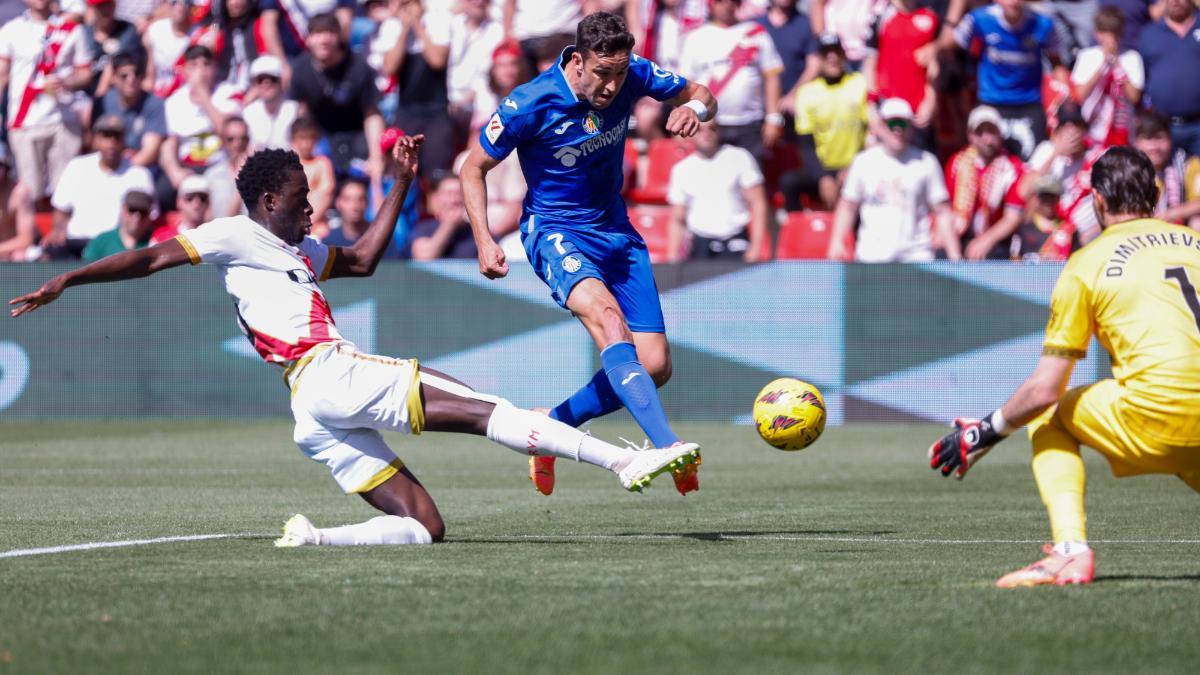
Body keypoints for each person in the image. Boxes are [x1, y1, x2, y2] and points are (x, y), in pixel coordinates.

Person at [9, 139, 701, 548]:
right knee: (489, 409)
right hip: (327, 372)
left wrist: (399, 184)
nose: (310, 204)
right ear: (267, 201)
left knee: (425, 526)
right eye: (298, 195)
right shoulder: (233, 235)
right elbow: (149, 259)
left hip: (312, 413)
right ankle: (621, 463)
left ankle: (313, 537)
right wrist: (67, 278)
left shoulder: (300, 247)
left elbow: (366, 258)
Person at [460, 11, 717, 496]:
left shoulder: (633, 72)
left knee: (655, 365)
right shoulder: (527, 103)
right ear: (577, 60)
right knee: (608, 320)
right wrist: (483, 238)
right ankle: (666, 445)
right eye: (603, 74)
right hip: (556, 232)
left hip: (615, 232)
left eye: (620, 74)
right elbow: (472, 168)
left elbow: (703, 94)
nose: (613, 86)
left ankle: (549, 428)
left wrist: (694, 112)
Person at [927, 146, 1200, 587]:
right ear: (1154, 193)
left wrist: (984, 432)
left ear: (1097, 202)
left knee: (1047, 417)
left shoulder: (1087, 262)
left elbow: (1044, 391)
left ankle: (1070, 552)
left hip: (1156, 416)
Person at [829, 98, 961, 263]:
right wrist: (836, 241)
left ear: (911, 128)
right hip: (871, 259)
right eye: (892, 123)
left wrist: (955, 256)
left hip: (917, 259)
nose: (897, 129)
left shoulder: (927, 163)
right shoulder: (863, 162)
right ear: (881, 126)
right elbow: (848, 207)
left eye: (903, 123)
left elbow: (942, 212)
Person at [941, 0, 1070, 160]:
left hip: (1028, 106)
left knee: (1033, 163)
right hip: (991, 103)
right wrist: (933, 50)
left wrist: (1067, 97)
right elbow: (950, 44)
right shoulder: (979, 19)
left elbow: (1056, 63)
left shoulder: (1043, 24)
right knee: (985, 162)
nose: (1013, 2)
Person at [0, 0, 92, 202]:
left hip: (62, 121)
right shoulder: (11, 30)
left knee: (65, 193)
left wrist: (68, 82)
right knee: (29, 193)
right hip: (24, 121)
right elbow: (2, 75)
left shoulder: (72, 30)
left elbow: (85, 73)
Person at [678, 0, 785, 164]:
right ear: (711, 4)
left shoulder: (756, 32)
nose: (727, 4)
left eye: (733, 0)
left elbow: (772, 76)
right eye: (721, 1)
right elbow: (685, 84)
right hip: (710, 127)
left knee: (751, 179)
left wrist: (773, 118)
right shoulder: (696, 37)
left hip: (750, 124)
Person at [287, 12, 384, 180]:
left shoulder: (359, 67)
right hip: (322, 138)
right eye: (317, 33)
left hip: (357, 135)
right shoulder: (300, 70)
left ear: (339, 37)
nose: (324, 40)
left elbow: (372, 115)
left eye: (330, 33)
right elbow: (302, 116)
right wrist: (300, 155)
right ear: (308, 39)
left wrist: (377, 158)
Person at [46, 113, 154, 258]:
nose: (111, 142)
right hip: (77, 242)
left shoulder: (139, 174)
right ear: (96, 139)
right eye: (106, 135)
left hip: (116, 246)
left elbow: (147, 218)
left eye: (116, 136)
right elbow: (61, 210)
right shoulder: (77, 167)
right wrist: (58, 231)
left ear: (124, 140)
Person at [780, 33, 867, 211]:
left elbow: (870, 134)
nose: (832, 58)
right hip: (822, 168)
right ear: (819, 59)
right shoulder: (807, 93)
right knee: (789, 183)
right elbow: (806, 145)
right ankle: (797, 233)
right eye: (827, 54)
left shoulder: (860, 84)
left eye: (836, 52)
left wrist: (853, 167)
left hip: (854, 166)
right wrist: (822, 177)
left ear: (844, 55)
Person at [666, 120, 768, 261]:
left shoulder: (739, 157)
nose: (706, 133)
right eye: (699, 129)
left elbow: (758, 204)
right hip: (700, 245)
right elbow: (677, 220)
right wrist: (672, 259)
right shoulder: (681, 169)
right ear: (690, 133)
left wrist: (756, 248)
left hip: (735, 242)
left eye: (712, 128)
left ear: (719, 130)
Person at [376, 0, 454, 178]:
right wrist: (404, 28)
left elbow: (437, 61)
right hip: (406, 111)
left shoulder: (439, 20)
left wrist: (418, 25)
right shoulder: (391, 26)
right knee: (405, 172)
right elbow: (390, 68)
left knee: (436, 173)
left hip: (437, 111)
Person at [945, 105, 1026, 261]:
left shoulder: (1011, 168)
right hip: (960, 233)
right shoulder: (957, 163)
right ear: (970, 135)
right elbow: (945, 210)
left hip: (995, 240)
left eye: (992, 132)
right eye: (980, 132)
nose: (987, 140)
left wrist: (986, 240)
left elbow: (1012, 217)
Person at [1021, 102, 1107, 244]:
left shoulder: (1097, 156)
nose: (1071, 131)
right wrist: (1057, 153)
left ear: (1084, 130)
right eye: (1066, 126)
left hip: (1086, 236)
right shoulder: (1046, 150)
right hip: (1049, 231)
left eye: (1076, 125)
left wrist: (1091, 234)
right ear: (1057, 130)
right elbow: (1024, 191)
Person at [863, 0, 940, 152]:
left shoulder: (931, 16)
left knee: (920, 163)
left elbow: (934, 67)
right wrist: (871, 106)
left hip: (917, 112)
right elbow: (869, 63)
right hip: (887, 107)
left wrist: (930, 101)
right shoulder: (880, 16)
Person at [1071, 6, 1144, 148]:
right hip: (1092, 133)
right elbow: (1079, 95)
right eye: (1105, 32)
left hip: (1122, 133)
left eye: (1114, 32)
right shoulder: (1087, 56)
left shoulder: (1132, 57)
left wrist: (1117, 63)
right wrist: (1103, 64)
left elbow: (1134, 97)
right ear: (1097, 34)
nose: (1111, 37)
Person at [1137, 0, 1200, 158]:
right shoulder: (1149, 34)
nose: (1176, 1)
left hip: (1198, 124)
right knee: (1164, 180)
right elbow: (1141, 78)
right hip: (1162, 127)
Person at [93, 51, 168, 170]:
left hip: (140, 168)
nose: (131, 80)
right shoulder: (103, 102)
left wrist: (122, 171)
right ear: (113, 78)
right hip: (107, 165)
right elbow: (94, 143)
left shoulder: (154, 104)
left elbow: (149, 153)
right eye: (124, 76)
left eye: (136, 74)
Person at [1132, 111, 1200, 228]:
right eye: (1147, 139)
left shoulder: (1189, 164)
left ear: (1170, 139)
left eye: (1159, 138)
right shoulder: (1128, 169)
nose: (1154, 147)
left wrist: (1171, 214)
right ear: (1136, 142)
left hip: (1181, 232)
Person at [409, 172, 479, 260]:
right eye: (448, 194)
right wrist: (449, 225)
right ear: (436, 198)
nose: (454, 200)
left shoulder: (476, 231)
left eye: (459, 193)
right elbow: (422, 258)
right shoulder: (424, 227)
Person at [1011, 174, 1077, 261]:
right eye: (1045, 196)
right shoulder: (1023, 230)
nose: (1048, 201)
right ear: (1037, 198)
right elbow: (1014, 261)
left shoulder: (1070, 230)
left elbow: (1076, 260)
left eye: (1052, 196)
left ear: (1058, 198)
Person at [241, 55, 298, 151]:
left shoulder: (294, 111)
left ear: (280, 82)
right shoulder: (248, 114)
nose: (266, 83)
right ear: (254, 84)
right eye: (260, 80)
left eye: (272, 78)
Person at [82, 189, 157, 260]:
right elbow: (85, 268)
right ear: (123, 209)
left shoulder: (156, 242)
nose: (137, 217)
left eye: (142, 212)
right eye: (132, 210)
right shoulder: (101, 242)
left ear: (149, 214)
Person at [204, 115, 252, 217]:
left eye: (243, 138)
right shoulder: (212, 176)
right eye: (231, 139)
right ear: (223, 141)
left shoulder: (260, 176)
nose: (237, 144)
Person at [0, 143, 37, 262]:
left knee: (20, 256)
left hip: (12, 253)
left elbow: (26, 239)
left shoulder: (19, 193)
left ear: (6, 167)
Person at [151, 174, 211, 243]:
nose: (196, 204)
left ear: (208, 203)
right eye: (190, 197)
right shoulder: (161, 237)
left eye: (203, 198)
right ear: (178, 201)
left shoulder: (215, 238)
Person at [322, 176, 374, 248]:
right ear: (338, 203)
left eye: (360, 199)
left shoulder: (378, 237)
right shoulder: (330, 243)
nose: (355, 206)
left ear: (367, 202)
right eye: (348, 199)